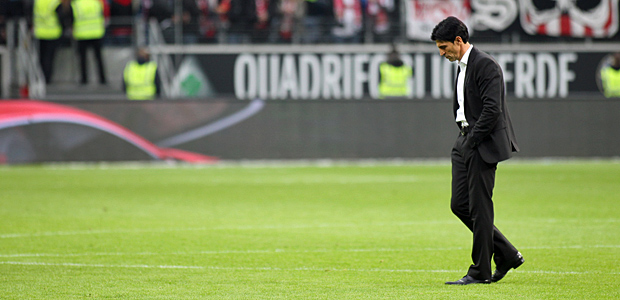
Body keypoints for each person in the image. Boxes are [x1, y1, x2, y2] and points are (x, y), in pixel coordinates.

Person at [430, 16, 523, 285]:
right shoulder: (463, 65)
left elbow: (493, 110)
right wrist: (464, 141)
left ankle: (480, 272)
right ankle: (506, 254)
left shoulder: (485, 65)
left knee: (480, 209)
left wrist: (472, 141)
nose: (441, 52)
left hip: (480, 144)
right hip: (465, 141)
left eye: (443, 46)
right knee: (459, 205)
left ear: (459, 41)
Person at [68, 0, 107, 84]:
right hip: (96, 33)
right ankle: (102, 79)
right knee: (98, 58)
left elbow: (71, 19)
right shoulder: (96, 3)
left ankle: (84, 79)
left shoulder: (76, 4)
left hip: (82, 34)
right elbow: (103, 15)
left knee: (82, 59)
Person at [32, 0, 70, 84]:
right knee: (49, 58)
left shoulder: (38, 1)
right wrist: (64, 29)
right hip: (52, 33)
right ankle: (47, 79)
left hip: (40, 32)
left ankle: (40, 78)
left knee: (41, 57)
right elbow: (61, 17)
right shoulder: (54, 2)